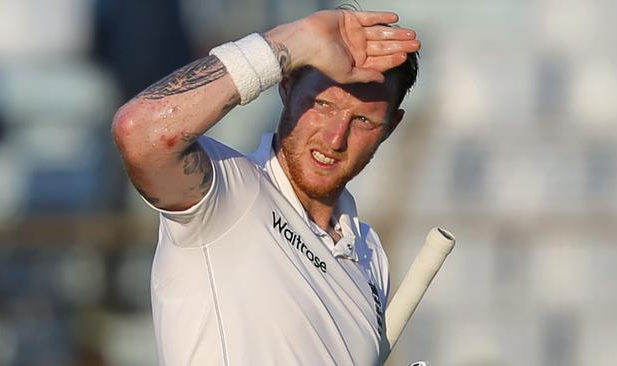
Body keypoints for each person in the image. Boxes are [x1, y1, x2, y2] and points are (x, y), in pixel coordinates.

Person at [112, 8, 420, 366]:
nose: (335, 138)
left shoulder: (369, 252)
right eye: (321, 104)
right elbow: (138, 132)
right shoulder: (229, 194)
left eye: (363, 120)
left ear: (390, 127)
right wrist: (295, 41)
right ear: (285, 86)